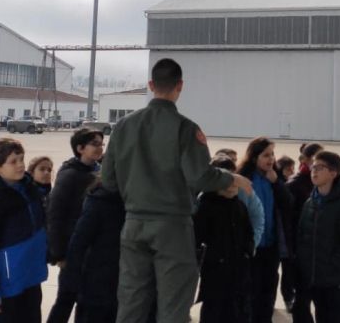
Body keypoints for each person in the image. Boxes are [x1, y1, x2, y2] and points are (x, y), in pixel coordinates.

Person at [102, 58, 253, 323]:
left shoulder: (123, 127)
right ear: (180, 86)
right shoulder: (186, 128)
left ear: (151, 85)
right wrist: (231, 178)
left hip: (133, 224)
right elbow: (200, 177)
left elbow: (109, 180)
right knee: (173, 306)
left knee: (131, 302)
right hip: (172, 227)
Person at [0, 138, 48, 323]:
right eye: (13, 162)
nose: (20, 165)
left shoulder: (30, 191)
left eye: (22, 159)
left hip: (32, 277)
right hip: (8, 284)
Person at [46, 129, 104, 323]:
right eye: (94, 144)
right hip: (71, 248)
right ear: (80, 148)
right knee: (66, 298)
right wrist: (58, 253)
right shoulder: (70, 175)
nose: (99, 148)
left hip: (91, 249)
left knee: (86, 300)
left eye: (101, 144)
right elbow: (55, 215)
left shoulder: (100, 171)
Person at [293, 151, 340, 323]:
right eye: (313, 166)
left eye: (320, 167)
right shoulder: (310, 202)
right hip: (312, 278)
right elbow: (302, 238)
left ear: (333, 173)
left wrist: (332, 267)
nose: (314, 171)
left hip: (334, 280)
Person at [238, 138, 295, 323]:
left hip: (271, 245)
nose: (271, 159)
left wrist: (277, 182)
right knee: (251, 293)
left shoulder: (274, 177)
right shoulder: (244, 178)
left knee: (268, 291)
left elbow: (288, 204)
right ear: (255, 157)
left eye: (272, 154)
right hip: (251, 246)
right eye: (266, 155)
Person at [193, 157, 253, 323]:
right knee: (214, 312)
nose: (233, 184)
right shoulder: (206, 206)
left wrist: (248, 252)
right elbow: (196, 238)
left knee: (237, 313)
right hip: (215, 275)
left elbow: (248, 233)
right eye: (228, 179)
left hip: (239, 274)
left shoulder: (239, 205)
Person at [66, 181, 124, 323]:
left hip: (122, 283)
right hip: (98, 283)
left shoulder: (135, 201)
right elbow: (78, 244)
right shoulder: (99, 201)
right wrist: (74, 282)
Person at [283, 142, 323, 313]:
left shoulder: (324, 181)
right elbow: (287, 218)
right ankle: (289, 297)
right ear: (305, 160)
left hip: (316, 240)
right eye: (315, 159)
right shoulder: (294, 184)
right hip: (297, 240)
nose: (318, 164)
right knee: (292, 273)